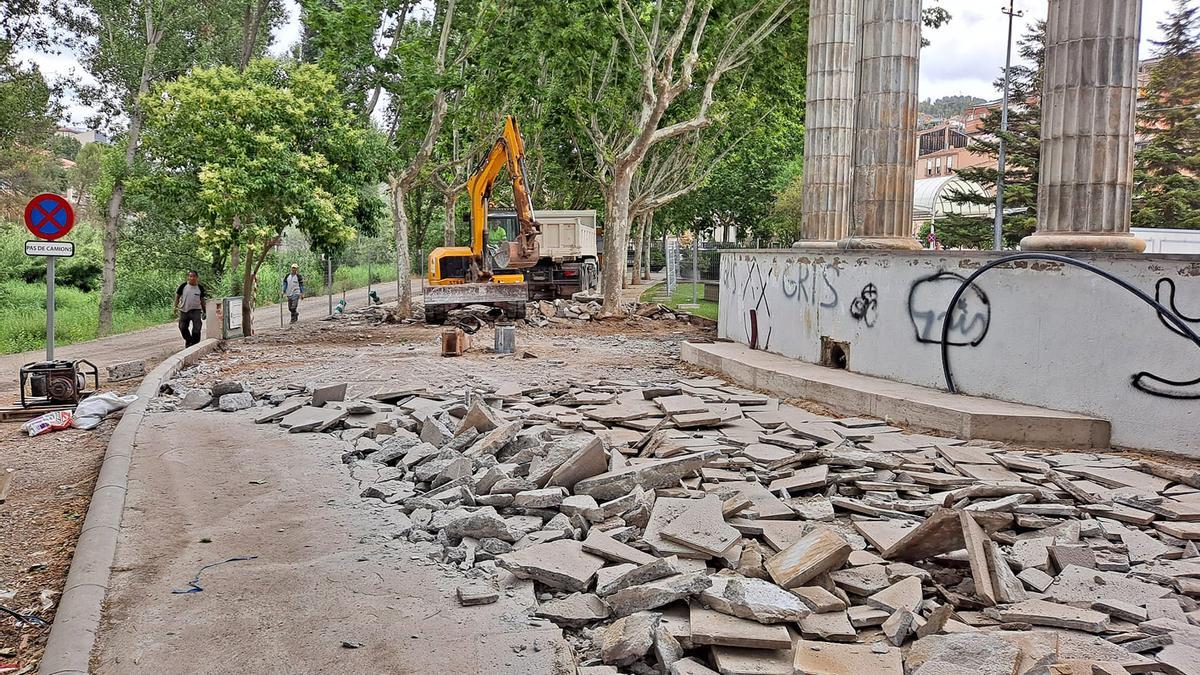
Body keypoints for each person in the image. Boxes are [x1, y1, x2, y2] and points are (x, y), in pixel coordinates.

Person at [174, 270, 207, 347]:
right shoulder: (183, 286)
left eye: (194, 276)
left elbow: (202, 300)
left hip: (196, 310)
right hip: (184, 310)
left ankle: (195, 345)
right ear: (188, 277)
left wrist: (205, 311)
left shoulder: (200, 288)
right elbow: (177, 296)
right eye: (190, 276)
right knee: (182, 327)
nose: (192, 278)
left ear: (197, 277)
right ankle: (189, 340)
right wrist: (175, 307)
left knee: (197, 328)